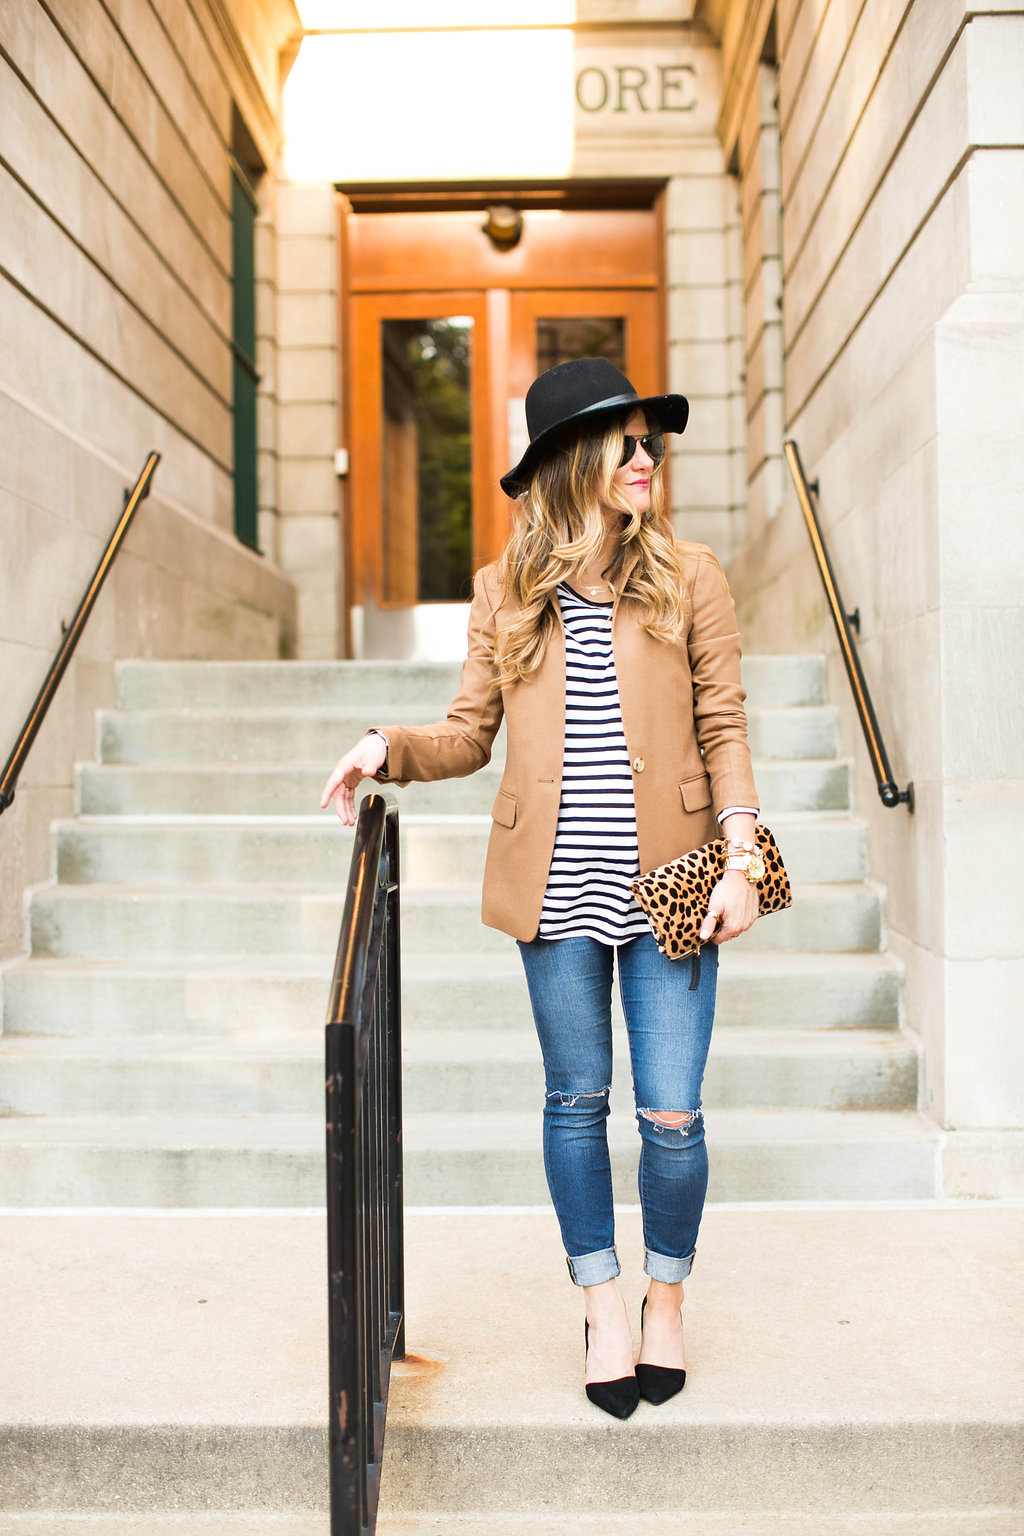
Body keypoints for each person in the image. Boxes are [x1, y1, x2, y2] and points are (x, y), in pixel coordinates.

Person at [321, 357, 760, 1420]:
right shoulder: (502, 590)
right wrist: (389, 746)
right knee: (576, 1102)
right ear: (575, 460)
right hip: (556, 885)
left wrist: (742, 853)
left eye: (652, 441)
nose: (648, 458)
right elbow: (471, 734)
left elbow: (724, 723)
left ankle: (667, 1295)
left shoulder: (689, 574)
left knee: (671, 1115)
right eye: (628, 441)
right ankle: (601, 1303)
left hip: (675, 878)